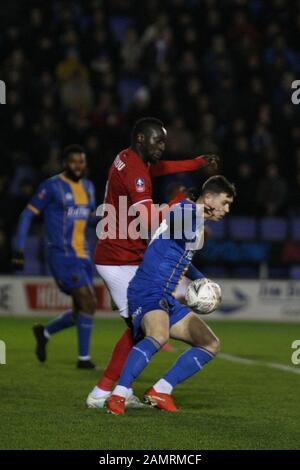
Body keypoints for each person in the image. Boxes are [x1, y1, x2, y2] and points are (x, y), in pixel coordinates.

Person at [87, 116, 219, 408]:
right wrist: (181, 203)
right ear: (141, 139)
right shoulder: (135, 172)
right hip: (119, 259)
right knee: (144, 330)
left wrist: (195, 163)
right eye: (158, 141)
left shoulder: (128, 158)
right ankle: (103, 393)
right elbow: (147, 220)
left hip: (125, 254)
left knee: (144, 329)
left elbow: (162, 168)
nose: (163, 146)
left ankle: (111, 390)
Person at [106, 175, 236, 414]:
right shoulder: (185, 209)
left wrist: (203, 280)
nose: (227, 209)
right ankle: (118, 395)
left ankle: (161, 391)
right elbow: (175, 219)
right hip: (147, 288)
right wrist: (197, 211)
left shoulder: (196, 227)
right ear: (208, 198)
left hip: (165, 297)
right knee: (158, 334)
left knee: (210, 344)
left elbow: (183, 259)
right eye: (225, 202)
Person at [12, 145, 98, 369]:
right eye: (73, 162)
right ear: (64, 163)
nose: (78, 166)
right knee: (88, 301)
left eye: (81, 162)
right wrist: (19, 248)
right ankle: (83, 359)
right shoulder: (51, 187)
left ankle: (45, 331)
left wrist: (109, 219)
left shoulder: (88, 187)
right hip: (62, 255)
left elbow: (88, 219)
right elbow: (27, 214)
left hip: (84, 254)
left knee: (82, 307)